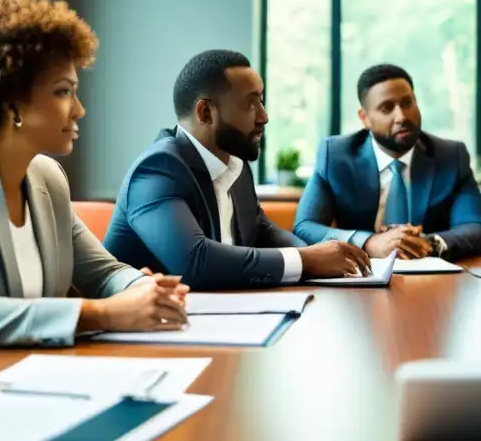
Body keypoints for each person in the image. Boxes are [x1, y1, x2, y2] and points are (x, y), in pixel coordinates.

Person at [0, 0, 188, 355]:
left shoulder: (47, 178)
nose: (79, 110)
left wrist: (141, 289)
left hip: (29, 382)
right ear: (11, 104)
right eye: (63, 92)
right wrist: (104, 313)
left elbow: (103, 273)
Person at [104, 50, 371, 289]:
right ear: (206, 112)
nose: (263, 116)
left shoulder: (236, 165)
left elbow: (262, 230)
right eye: (250, 104)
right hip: (139, 334)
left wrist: (322, 253)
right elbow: (195, 263)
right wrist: (307, 260)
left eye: (262, 102)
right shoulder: (157, 169)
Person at [293, 64, 481, 261]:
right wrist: (368, 242)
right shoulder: (336, 156)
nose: (402, 117)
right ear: (365, 118)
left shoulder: (450, 156)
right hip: (359, 279)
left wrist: (427, 243)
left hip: (432, 280)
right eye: (386, 108)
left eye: (407, 103)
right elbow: (305, 226)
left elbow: (477, 229)